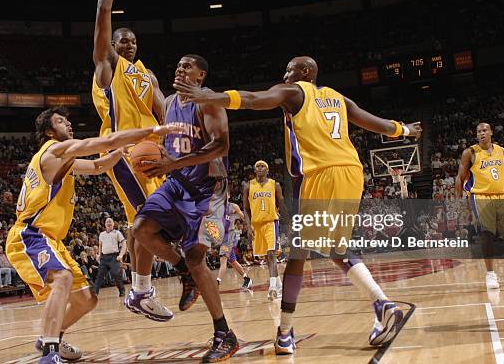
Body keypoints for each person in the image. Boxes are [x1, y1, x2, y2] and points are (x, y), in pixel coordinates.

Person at [174, 55, 422, 354]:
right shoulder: (337, 98)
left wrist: (210, 96)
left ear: (305, 72)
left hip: (322, 174)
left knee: (298, 254)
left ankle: (286, 332)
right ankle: (380, 304)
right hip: (352, 172)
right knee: (335, 248)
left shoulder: (295, 92)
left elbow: (254, 99)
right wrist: (404, 130)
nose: (285, 74)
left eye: (289, 69)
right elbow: (375, 123)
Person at [5, 107, 181, 363]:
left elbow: (99, 165)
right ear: (49, 131)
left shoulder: (64, 159)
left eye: (67, 119)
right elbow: (103, 141)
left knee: (87, 300)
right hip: (30, 234)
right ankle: (49, 352)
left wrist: (120, 153)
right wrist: (151, 131)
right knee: (62, 279)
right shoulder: (53, 150)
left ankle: (50, 336)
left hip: (51, 239)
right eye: (60, 121)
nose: (68, 123)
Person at [132, 55, 239, 362]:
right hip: (178, 182)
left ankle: (224, 335)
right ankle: (184, 273)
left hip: (209, 189)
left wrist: (171, 162)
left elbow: (221, 146)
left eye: (188, 65)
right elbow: (172, 142)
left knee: (196, 257)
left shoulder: (209, 103)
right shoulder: (167, 103)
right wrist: (160, 159)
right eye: (178, 64)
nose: (180, 68)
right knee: (140, 229)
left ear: (200, 75)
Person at [91, 0, 173, 321]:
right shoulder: (107, 66)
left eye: (134, 41)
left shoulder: (147, 74)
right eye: (123, 39)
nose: (129, 44)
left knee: (147, 221)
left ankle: (141, 291)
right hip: (123, 151)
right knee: (146, 220)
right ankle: (144, 289)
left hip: (151, 150)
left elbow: (164, 112)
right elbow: (103, 9)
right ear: (112, 44)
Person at [455, 123, 504, 289]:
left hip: (501, 195)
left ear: (491, 132)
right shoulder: (470, 153)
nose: (481, 133)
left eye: (484, 130)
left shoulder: (502, 152)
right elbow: (460, 177)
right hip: (480, 196)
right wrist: (459, 200)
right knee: (487, 233)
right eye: (479, 131)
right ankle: (490, 274)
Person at [244, 160, 287, 300]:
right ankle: (279, 285)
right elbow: (246, 208)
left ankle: (272, 287)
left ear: (267, 170)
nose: (260, 168)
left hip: (270, 222)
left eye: (263, 166)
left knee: (271, 253)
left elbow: (281, 203)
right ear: (255, 170)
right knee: (266, 257)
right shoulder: (248, 186)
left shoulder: (275, 185)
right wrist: (248, 225)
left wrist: (288, 222)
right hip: (256, 225)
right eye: (258, 166)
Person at [217, 213, 253, 291]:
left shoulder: (232, 207)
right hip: (222, 238)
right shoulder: (216, 209)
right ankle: (247, 279)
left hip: (229, 238)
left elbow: (243, 216)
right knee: (233, 262)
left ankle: (217, 282)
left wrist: (250, 227)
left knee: (223, 259)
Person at [94, 217, 126, 296]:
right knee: (100, 275)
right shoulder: (102, 234)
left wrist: (121, 255)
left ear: (113, 224)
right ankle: (95, 292)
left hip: (114, 257)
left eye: (110, 222)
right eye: (107, 222)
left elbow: (124, 243)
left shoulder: (117, 233)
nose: (108, 223)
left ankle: (122, 290)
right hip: (104, 257)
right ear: (105, 224)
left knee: (116, 273)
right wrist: (99, 255)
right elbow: (100, 245)